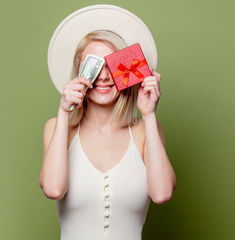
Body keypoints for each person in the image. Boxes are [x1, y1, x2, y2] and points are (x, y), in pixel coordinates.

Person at [39, 5, 176, 240]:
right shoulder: (57, 127)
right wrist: (63, 113)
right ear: (78, 72)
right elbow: (53, 189)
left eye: (111, 66)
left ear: (127, 72)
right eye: (94, 65)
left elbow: (162, 193)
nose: (102, 76)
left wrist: (149, 114)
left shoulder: (146, 132)